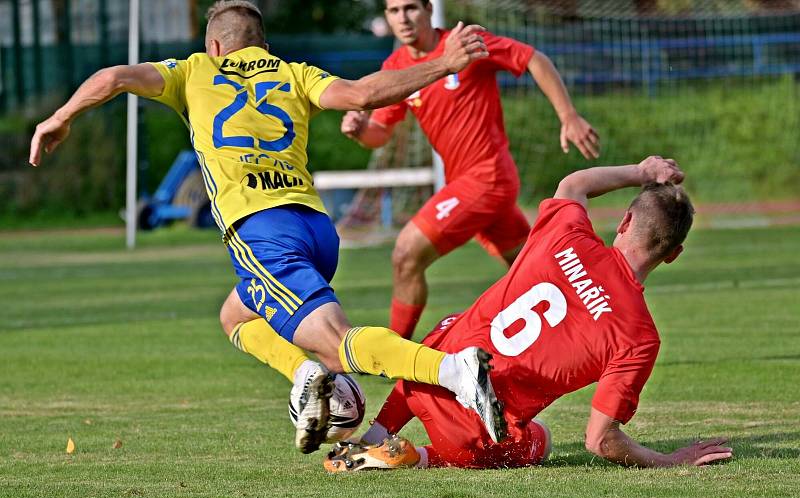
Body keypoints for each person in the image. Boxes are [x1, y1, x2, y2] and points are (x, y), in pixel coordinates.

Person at [28, 0, 508, 454]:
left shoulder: (194, 69)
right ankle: (305, 378)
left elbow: (113, 77)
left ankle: (453, 371)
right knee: (236, 316)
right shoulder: (293, 73)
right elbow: (363, 92)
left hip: (261, 231)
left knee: (339, 346)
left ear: (215, 45)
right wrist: (442, 63)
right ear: (265, 47)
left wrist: (60, 116)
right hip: (317, 229)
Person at [324, 156, 734, 472]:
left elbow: (574, 184)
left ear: (625, 221)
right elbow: (600, 441)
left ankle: (374, 436)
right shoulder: (639, 337)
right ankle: (418, 458)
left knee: (454, 325)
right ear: (673, 255)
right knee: (542, 440)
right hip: (471, 433)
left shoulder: (567, 232)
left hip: (426, 377)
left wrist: (641, 170)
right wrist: (671, 460)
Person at [341, 0, 601, 340]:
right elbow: (380, 134)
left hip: (486, 178)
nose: (402, 18)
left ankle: (395, 352)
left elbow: (532, 58)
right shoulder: (397, 66)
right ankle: (592, 332)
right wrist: (360, 129)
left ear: (428, 9)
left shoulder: (463, 43)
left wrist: (568, 116)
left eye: (410, 8)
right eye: (393, 11)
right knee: (535, 269)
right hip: (471, 184)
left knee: (406, 254)